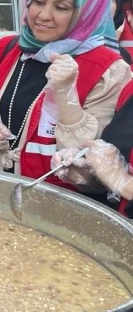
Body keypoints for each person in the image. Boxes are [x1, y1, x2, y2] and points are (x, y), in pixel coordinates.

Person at [0, 0, 130, 186]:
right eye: (38, 2)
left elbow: (95, 158)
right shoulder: (6, 49)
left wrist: (66, 97)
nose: (42, 15)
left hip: (55, 202)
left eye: (61, 7)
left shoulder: (110, 70)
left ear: (88, 12)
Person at [53, 80, 133, 219]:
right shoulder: (130, 90)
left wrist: (124, 182)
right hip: (109, 225)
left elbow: (118, 178)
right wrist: (89, 174)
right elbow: (116, 164)